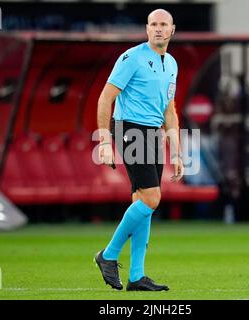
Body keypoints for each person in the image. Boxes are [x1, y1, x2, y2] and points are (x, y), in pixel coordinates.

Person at [94, 9, 183, 291]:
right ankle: (107, 255)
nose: (158, 29)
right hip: (130, 128)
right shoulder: (132, 58)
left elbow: (169, 111)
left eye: (163, 25)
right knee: (152, 198)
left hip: (152, 133)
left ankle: (136, 276)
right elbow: (105, 98)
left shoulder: (171, 64)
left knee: (142, 201)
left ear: (172, 30)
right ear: (147, 29)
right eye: (153, 24)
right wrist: (106, 142)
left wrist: (177, 151)